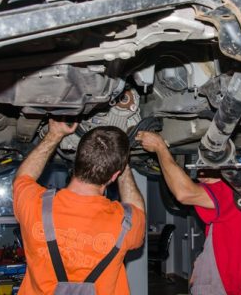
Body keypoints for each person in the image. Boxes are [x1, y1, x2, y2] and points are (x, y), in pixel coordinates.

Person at [13, 120, 145, 294]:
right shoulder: (125, 223)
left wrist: (54, 134)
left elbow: (23, 178)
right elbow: (136, 209)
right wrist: (122, 165)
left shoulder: (35, 205)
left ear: (77, 160)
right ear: (114, 176)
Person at [136, 131, 241, 295]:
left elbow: (184, 193)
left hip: (223, 284)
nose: (200, 177)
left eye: (204, 169)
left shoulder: (226, 192)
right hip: (235, 282)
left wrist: (160, 147)